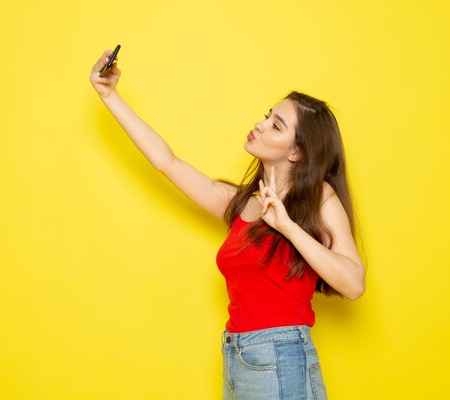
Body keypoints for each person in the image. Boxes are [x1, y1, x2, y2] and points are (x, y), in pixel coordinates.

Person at [90, 49, 366, 400]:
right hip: (238, 356)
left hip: (280, 356)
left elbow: (354, 283)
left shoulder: (319, 199)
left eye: (276, 125)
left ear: (296, 152)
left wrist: (287, 227)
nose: (260, 125)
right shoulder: (242, 203)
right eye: (267, 116)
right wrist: (109, 95)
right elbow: (167, 162)